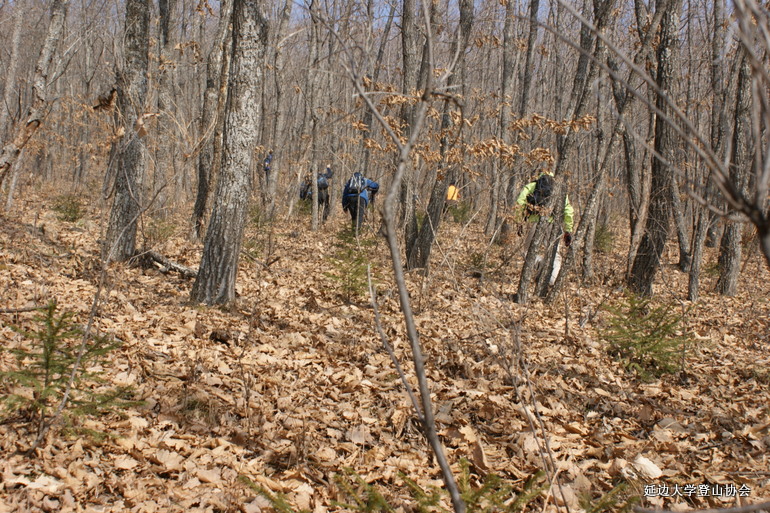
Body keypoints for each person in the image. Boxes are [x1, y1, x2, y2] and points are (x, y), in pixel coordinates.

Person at [515, 170, 574, 285]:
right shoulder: (560, 189)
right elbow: (568, 210)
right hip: (554, 225)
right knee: (555, 255)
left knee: (527, 252)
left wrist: (519, 221)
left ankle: (539, 263)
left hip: (535, 223)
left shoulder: (532, 186)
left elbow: (520, 202)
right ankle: (551, 281)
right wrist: (568, 230)